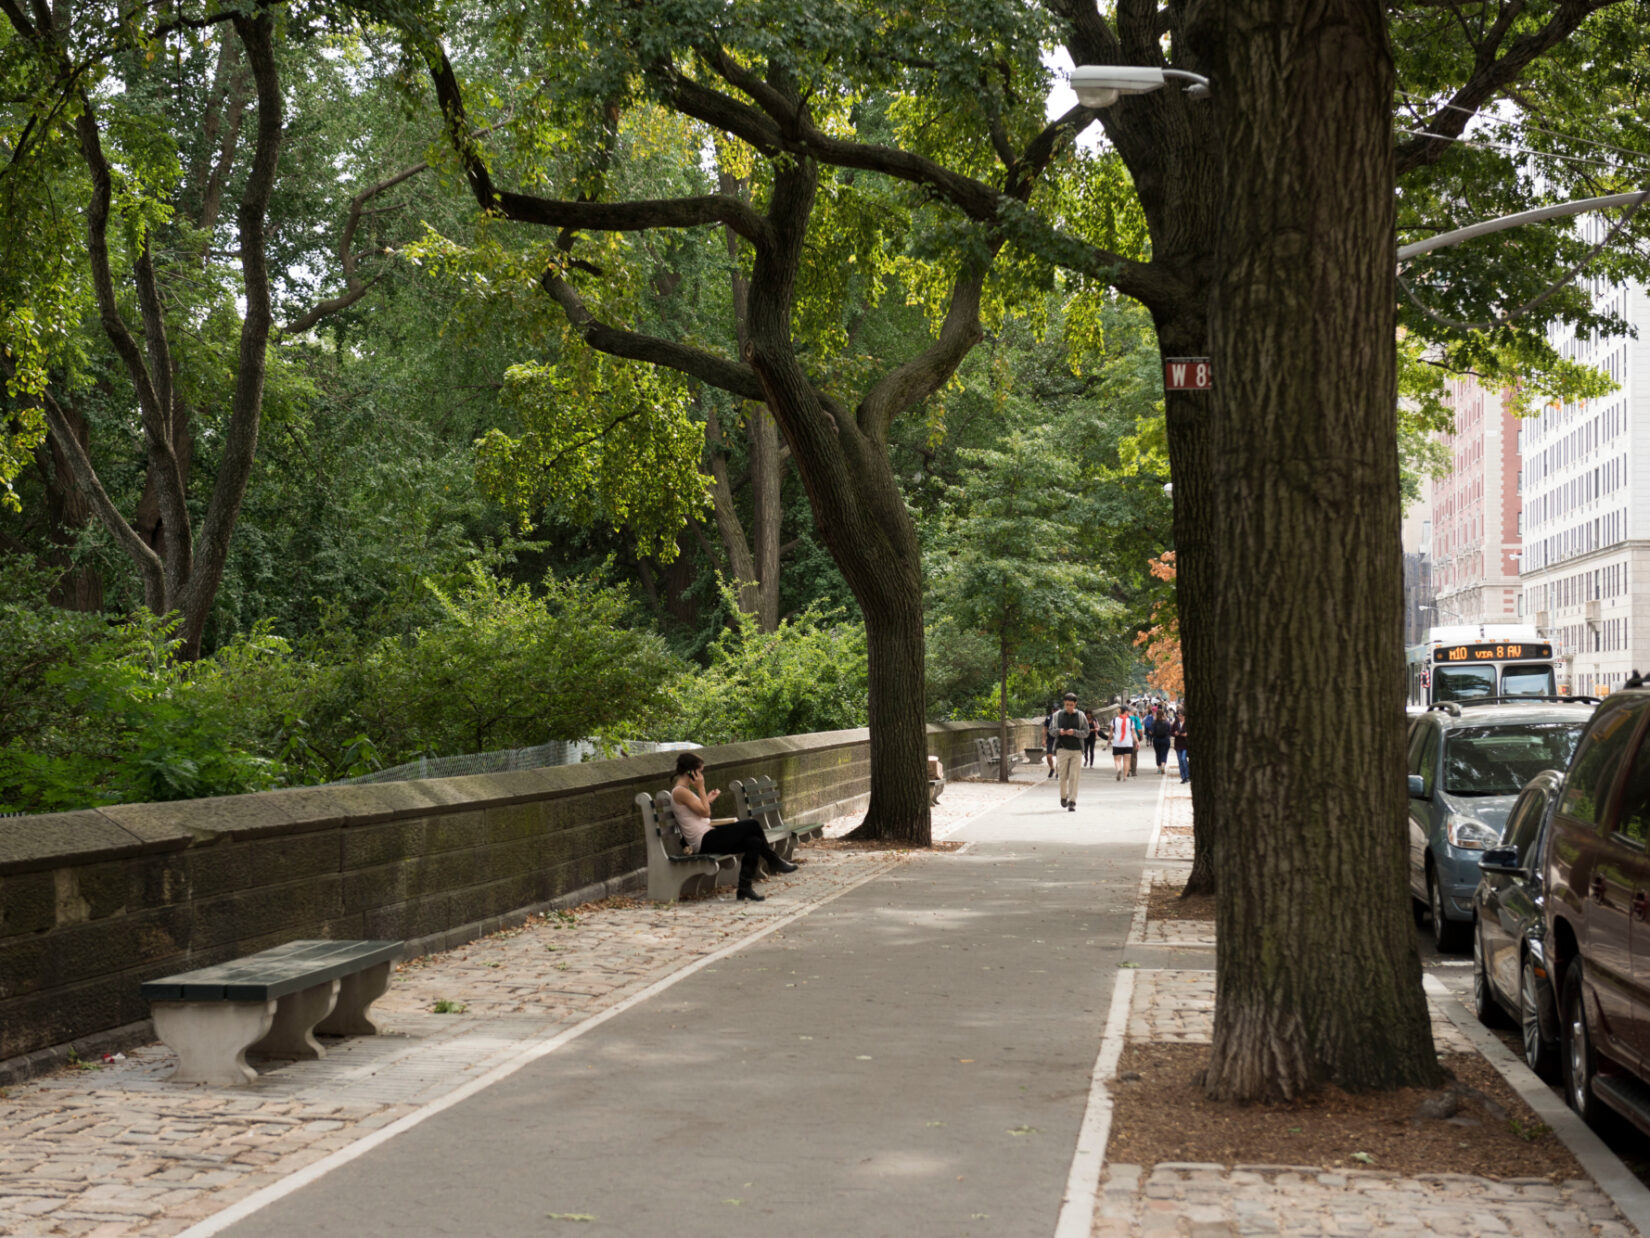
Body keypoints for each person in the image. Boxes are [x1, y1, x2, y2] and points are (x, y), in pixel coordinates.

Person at [670, 752, 796, 902]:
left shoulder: (684, 791)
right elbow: (706, 813)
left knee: (754, 841)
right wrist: (701, 788)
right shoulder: (681, 791)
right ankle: (774, 861)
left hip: (708, 835)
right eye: (700, 771)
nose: (702, 776)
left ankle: (744, 888)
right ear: (692, 771)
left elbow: (700, 813)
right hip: (704, 840)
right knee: (753, 824)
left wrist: (707, 799)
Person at [1051, 692, 1086, 811]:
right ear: (1064, 704)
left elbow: (1086, 732)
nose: (1069, 707)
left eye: (1071, 704)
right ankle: (1063, 796)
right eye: (1067, 704)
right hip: (1062, 749)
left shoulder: (1081, 716)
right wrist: (1059, 731)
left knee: (1074, 776)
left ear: (1075, 704)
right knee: (1062, 776)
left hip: (1076, 750)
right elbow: (1051, 730)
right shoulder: (1057, 716)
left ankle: (1072, 801)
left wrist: (1075, 732)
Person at [1109, 705, 1135, 781]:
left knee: (1117, 760)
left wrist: (1109, 740)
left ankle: (1118, 769)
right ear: (1126, 712)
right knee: (1127, 760)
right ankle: (1125, 776)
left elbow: (1111, 732)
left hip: (1117, 743)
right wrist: (1137, 742)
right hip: (1128, 743)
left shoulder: (1114, 720)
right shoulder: (1130, 721)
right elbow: (1133, 733)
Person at [1150, 705, 1173, 775]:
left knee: (1158, 753)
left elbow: (1151, 732)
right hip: (1165, 739)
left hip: (1156, 740)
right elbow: (1170, 731)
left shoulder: (1154, 723)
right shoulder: (1167, 722)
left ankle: (1159, 768)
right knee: (1164, 753)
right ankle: (1163, 765)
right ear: (1164, 714)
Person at [1171, 711, 1189, 783]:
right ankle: (1183, 777)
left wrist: (1186, 734)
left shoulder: (1187, 723)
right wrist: (1175, 733)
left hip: (1185, 744)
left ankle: (1187, 775)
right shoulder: (1176, 723)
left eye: (1181, 716)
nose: (1180, 717)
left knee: (1183, 759)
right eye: (1179, 716)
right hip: (1178, 744)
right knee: (1180, 761)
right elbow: (1171, 732)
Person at [1043, 704, 1058, 779]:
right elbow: (1045, 728)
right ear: (1052, 710)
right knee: (1049, 756)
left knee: (1059, 757)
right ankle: (1052, 768)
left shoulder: (1061, 718)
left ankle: (1058, 772)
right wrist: (1043, 739)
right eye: (1054, 710)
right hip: (1050, 739)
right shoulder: (1048, 718)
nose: (1055, 711)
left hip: (1059, 739)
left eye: (1057, 710)